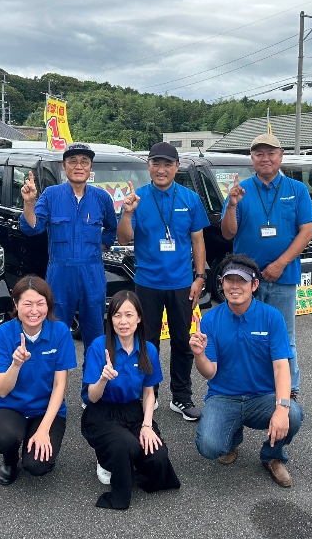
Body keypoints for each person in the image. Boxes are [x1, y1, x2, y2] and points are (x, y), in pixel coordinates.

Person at [191, 254, 304, 488]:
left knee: (292, 414)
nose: (235, 286)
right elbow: (210, 373)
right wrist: (199, 354)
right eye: (229, 280)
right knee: (209, 447)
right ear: (221, 283)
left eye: (241, 281)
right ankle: (232, 439)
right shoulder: (210, 320)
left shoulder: (271, 317)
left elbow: (281, 366)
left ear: (254, 285)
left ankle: (272, 456)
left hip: (262, 398)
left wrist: (281, 408)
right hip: (224, 397)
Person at [117, 141, 209, 421]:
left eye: (167, 164)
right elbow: (124, 239)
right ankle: (150, 393)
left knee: (183, 341)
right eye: (156, 163)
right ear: (148, 166)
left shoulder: (190, 199)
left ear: (176, 167)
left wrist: (200, 276)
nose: (161, 169)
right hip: (147, 283)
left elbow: (198, 240)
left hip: (182, 283)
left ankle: (181, 396)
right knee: (148, 341)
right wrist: (128, 212)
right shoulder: (138, 198)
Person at [221, 133, 312, 399]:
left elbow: (307, 231)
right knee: (245, 335)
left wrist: (280, 264)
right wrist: (231, 206)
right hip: (245, 279)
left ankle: (289, 391)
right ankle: (248, 388)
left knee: (285, 337)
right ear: (252, 158)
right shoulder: (240, 191)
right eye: (259, 154)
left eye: (271, 153)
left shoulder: (297, 190)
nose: (265, 158)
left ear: (280, 156)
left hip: (284, 277)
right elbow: (228, 233)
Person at [81, 290, 181, 510]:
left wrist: (147, 426)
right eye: (117, 315)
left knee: (157, 455)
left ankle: (126, 459)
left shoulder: (148, 349)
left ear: (139, 318)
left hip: (132, 411)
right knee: (126, 444)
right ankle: (107, 458)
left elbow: (149, 392)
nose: (123, 321)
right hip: (102, 412)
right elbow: (92, 397)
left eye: (129, 315)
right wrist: (103, 379)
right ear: (110, 319)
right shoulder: (99, 346)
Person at [20, 143, 117, 352]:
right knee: (56, 332)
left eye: (84, 162)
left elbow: (112, 230)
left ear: (91, 167)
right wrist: (29, 203)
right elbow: (33, 228)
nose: (78, 166)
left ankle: (93, 374)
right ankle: (56, 374)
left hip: (92, 274)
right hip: (59, 274)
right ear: (64, 166)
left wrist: (98, 247)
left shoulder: (102, 198)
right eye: (73, 161)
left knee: (95, 335)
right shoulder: (51, 195)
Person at [0, 275, 77, 485]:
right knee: (4, 438)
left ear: (48, 304)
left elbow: (59, 386)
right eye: (27, 304)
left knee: (37, 466)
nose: (34, 311)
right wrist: (16, 364)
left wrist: (44, 430)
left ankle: (35, 442)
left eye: (40, 303)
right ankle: (10, 460)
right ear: (16, 304)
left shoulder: (60, 332)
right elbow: (2, 390)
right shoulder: (2, 334)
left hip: (46, 410)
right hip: (11, 407)